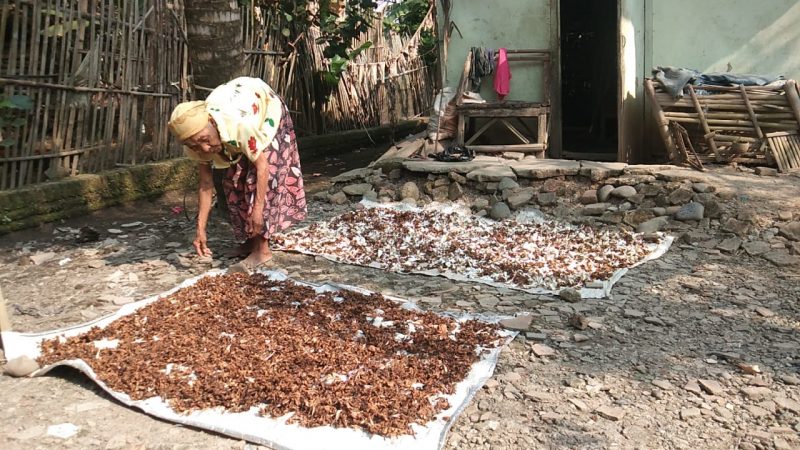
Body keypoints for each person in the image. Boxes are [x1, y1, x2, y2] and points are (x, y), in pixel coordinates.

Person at [168, 77, 307, 271]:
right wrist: (200, 230)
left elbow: (262, 168)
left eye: (205, 139)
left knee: (258, 182)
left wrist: (258, 212)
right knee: (232, 183)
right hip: (238, 112)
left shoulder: (238, 124)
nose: (205, 148)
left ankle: (262, 249)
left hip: (265, 108)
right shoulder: (195, 144)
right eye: (195, 145)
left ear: (211, 122)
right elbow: (206, 184)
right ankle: (250, 241)